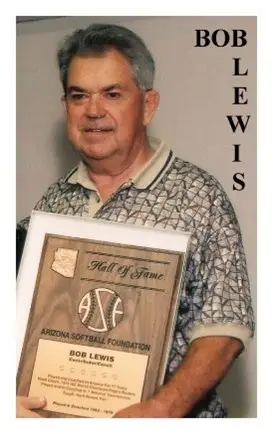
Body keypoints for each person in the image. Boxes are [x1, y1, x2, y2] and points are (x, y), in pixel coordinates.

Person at [16, 23, 254, 418]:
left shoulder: (200, 197)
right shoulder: (50, 207)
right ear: (66, 108)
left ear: (147, 105)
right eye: (79, 96)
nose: (93, 110)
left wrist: (160, 410)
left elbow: (224, 329)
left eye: (112, 94)